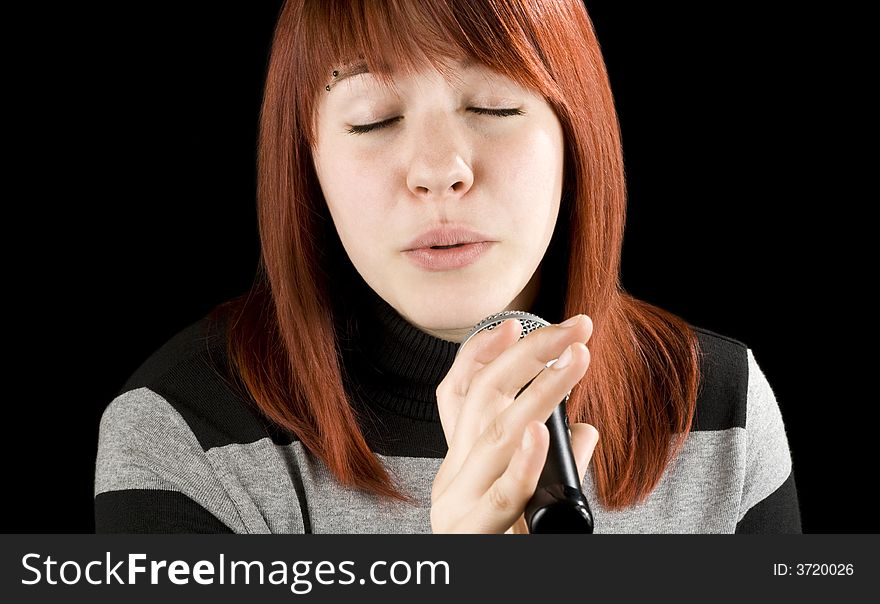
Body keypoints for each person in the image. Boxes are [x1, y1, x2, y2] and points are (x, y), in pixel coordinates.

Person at [94, 0, 801, 534]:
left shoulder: (717, 407)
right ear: (305, 160)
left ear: (574, 133)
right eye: (373, 118)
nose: (441, 172)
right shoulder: (187, 431)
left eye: (493, 103)